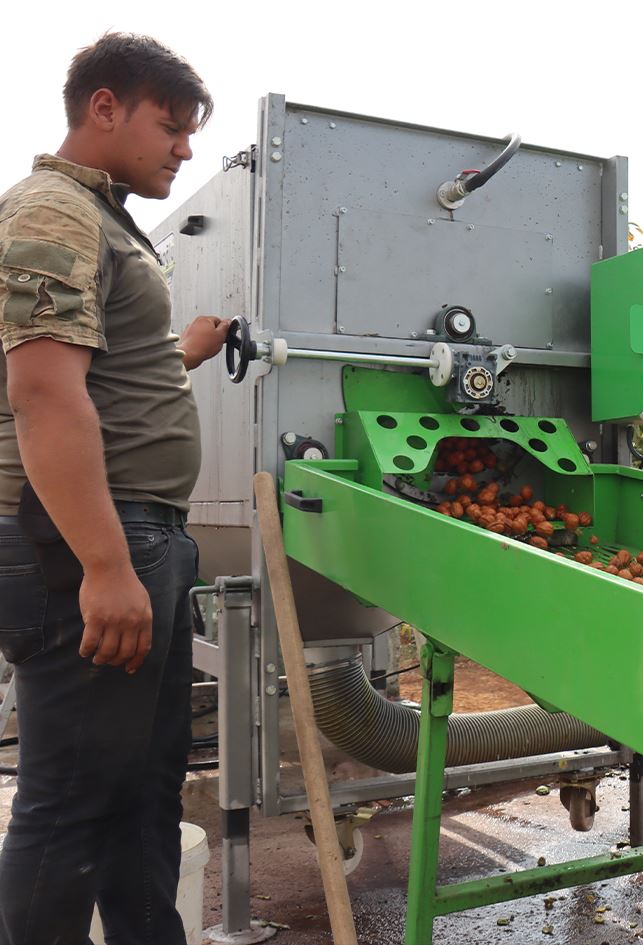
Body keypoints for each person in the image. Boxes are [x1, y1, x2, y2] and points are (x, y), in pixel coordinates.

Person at [0, 33, 226, 945]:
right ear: (104, 107)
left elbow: (96, 373)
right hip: (87, 542)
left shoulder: (101, 220)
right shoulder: (51, 213)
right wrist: (102, 564)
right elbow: (45, 390)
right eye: (169, 128)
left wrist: (185, 356)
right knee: (76, 796)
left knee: (141, 786)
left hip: (137, 535)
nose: (184, 148)